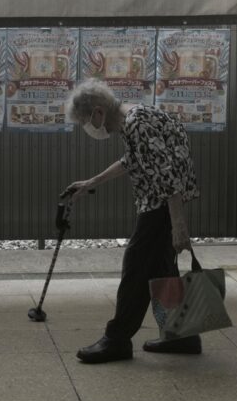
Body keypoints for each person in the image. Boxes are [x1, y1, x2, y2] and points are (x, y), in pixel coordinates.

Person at [63, 79, 201, 364]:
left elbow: (167, 173)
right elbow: (133, 160)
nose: (89, 128)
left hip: (161, 204)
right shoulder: (136, 117)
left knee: (135, 267)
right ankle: (183, 334)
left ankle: (117, 340)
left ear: (98, 112)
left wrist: (178, 224)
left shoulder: (136, 122)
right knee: (161, 269)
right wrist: (93, 181)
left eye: (85, 121)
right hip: (161, 202)